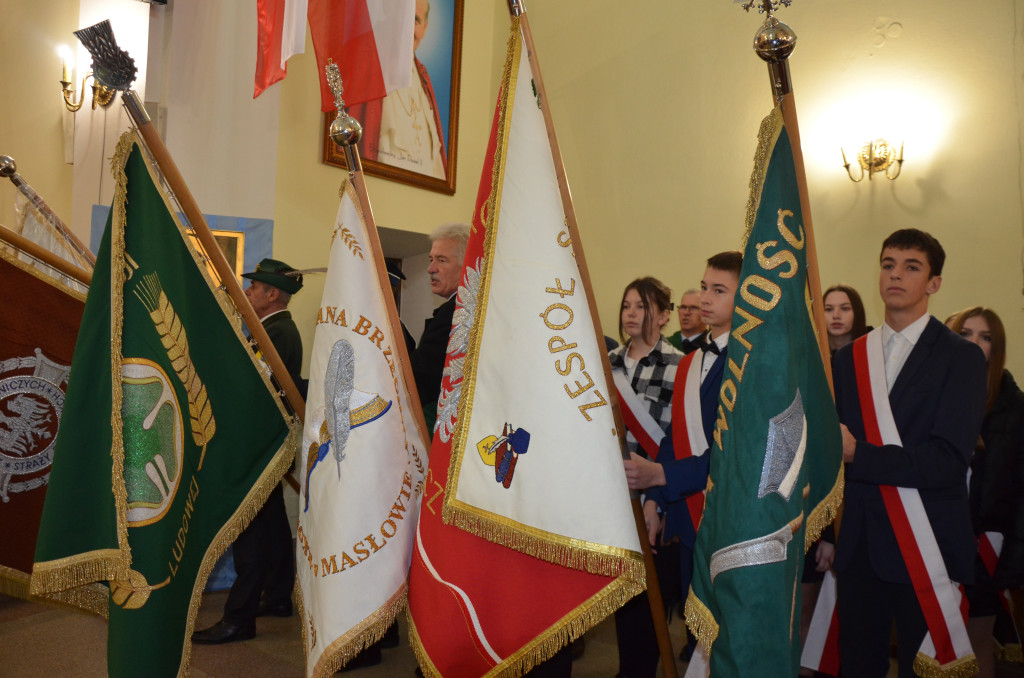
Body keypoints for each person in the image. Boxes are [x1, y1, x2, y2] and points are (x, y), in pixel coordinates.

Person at [831, 229, 987, 677]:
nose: (895, 274)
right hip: (860, 544)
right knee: (857, 666)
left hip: (926, 543)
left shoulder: (961, 357)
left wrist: (860, 454)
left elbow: (947, 461)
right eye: (888, 265)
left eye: (911, 266)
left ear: (934, 283)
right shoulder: (849, 358)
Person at [623, 251, 742, 665]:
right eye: (705, 287)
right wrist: (655, 501)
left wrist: (660, 475)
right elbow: (676, 437)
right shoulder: (692, 361)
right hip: (690, 517)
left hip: (729, 519)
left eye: (719, 290)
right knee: (696, 629)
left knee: (727, 638)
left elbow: (734, 454)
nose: (706, 298)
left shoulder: (752, 364)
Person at [193, 258, 304, 644]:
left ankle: (238, 618)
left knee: (250, 531)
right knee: (271, 524)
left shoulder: (278, 332)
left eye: (254, 287)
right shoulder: (271, 329)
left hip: (259, 446)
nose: (248, 292)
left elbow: (255, 389)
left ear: (272, 294)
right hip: (264, 443)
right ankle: (277, 596)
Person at [605, 275, 682, 678]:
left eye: (642, 306)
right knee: (623, 596)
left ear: (664, 315)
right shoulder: (607, 364)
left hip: (654, 499)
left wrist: (658, 501)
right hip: (612, 498)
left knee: (653, 600)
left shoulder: (679, 365)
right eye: (626, 306)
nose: (631, 314)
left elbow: (676, 441)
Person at [947, 307, 1024, 678]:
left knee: (977, 640)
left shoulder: (1015, 408)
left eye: (985, 336)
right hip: (936, 538)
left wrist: (1012, 563)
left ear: (998, 347)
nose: (974, 342)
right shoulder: (934, 394)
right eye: (965, 333)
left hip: (986, 545)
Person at [349, 0, 447, 180]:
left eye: (416, 20)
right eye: (405, 16)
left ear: (425, 29)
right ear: (390, 16)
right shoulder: (366, 60)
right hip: (379, 184)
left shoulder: (423, 77)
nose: (409, 28)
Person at [409, 223, 469, 432]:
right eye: (431, 259)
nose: (430, 269)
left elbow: (421, 376)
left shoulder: (457, 312)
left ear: (467, 264)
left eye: (441, 260)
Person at [822, 283, 870, 355]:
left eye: (845, 308)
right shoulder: (813, 352)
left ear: (857, 312)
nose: (836, 315)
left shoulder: (873, 345)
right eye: (829, 309)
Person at [666, 288, 705, 354]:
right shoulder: (665, 345)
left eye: (693, 308)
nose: (686, 313)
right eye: (683, 307)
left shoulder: (712, 347)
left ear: (706, 313)